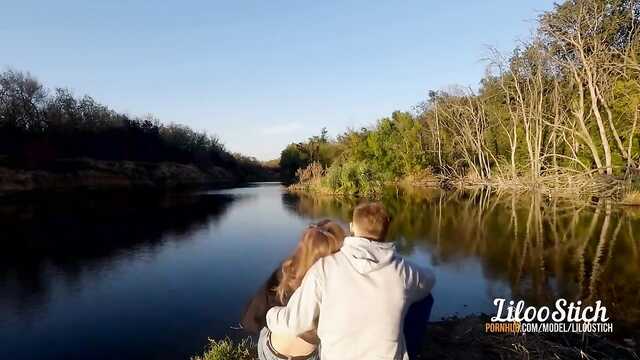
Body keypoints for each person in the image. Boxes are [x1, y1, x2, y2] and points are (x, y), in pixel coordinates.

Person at [266, 201, 436, 360]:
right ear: (387, 228)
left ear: (352, 227)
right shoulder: (403, 271)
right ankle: (415, 349)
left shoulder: (325, 267)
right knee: (423, 298)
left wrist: (271, 314)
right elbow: (430, 280)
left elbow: (295, 322)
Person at [240, 219, 346, 360]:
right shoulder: (337, 283)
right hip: (307, 355)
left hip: (271, 351)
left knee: (268, 327)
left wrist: (251, 322)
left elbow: (261, 303)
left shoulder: (289, 271)